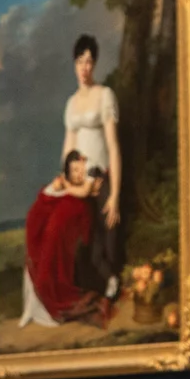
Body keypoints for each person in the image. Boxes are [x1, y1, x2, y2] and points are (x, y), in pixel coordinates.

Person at [62, 35, 124, 298]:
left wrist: (115, 195)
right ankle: (83, 290)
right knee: (78, 240)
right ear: (74, 64)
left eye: (89, 61)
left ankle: (112, 283)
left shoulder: (104, 95)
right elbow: (68, 148)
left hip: (101, 177)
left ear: (94, 64)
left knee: (107, 235)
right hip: (78, 181)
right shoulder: (71, 103)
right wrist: (67, 182)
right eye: (80, 61)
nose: (85, 67)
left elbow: (112, 146)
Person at [19, 150, 106, 327]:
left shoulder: (84, 188)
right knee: (42, 253)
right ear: (68, 171)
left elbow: (86, 193)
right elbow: (46, 200)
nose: (78, 174)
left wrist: (69, 187)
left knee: (53, 262)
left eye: (82, 170)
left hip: (68, 231)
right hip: (53, 230)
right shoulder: (63, 185)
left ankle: (51, 299)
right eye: (74, 170)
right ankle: (36, 306)